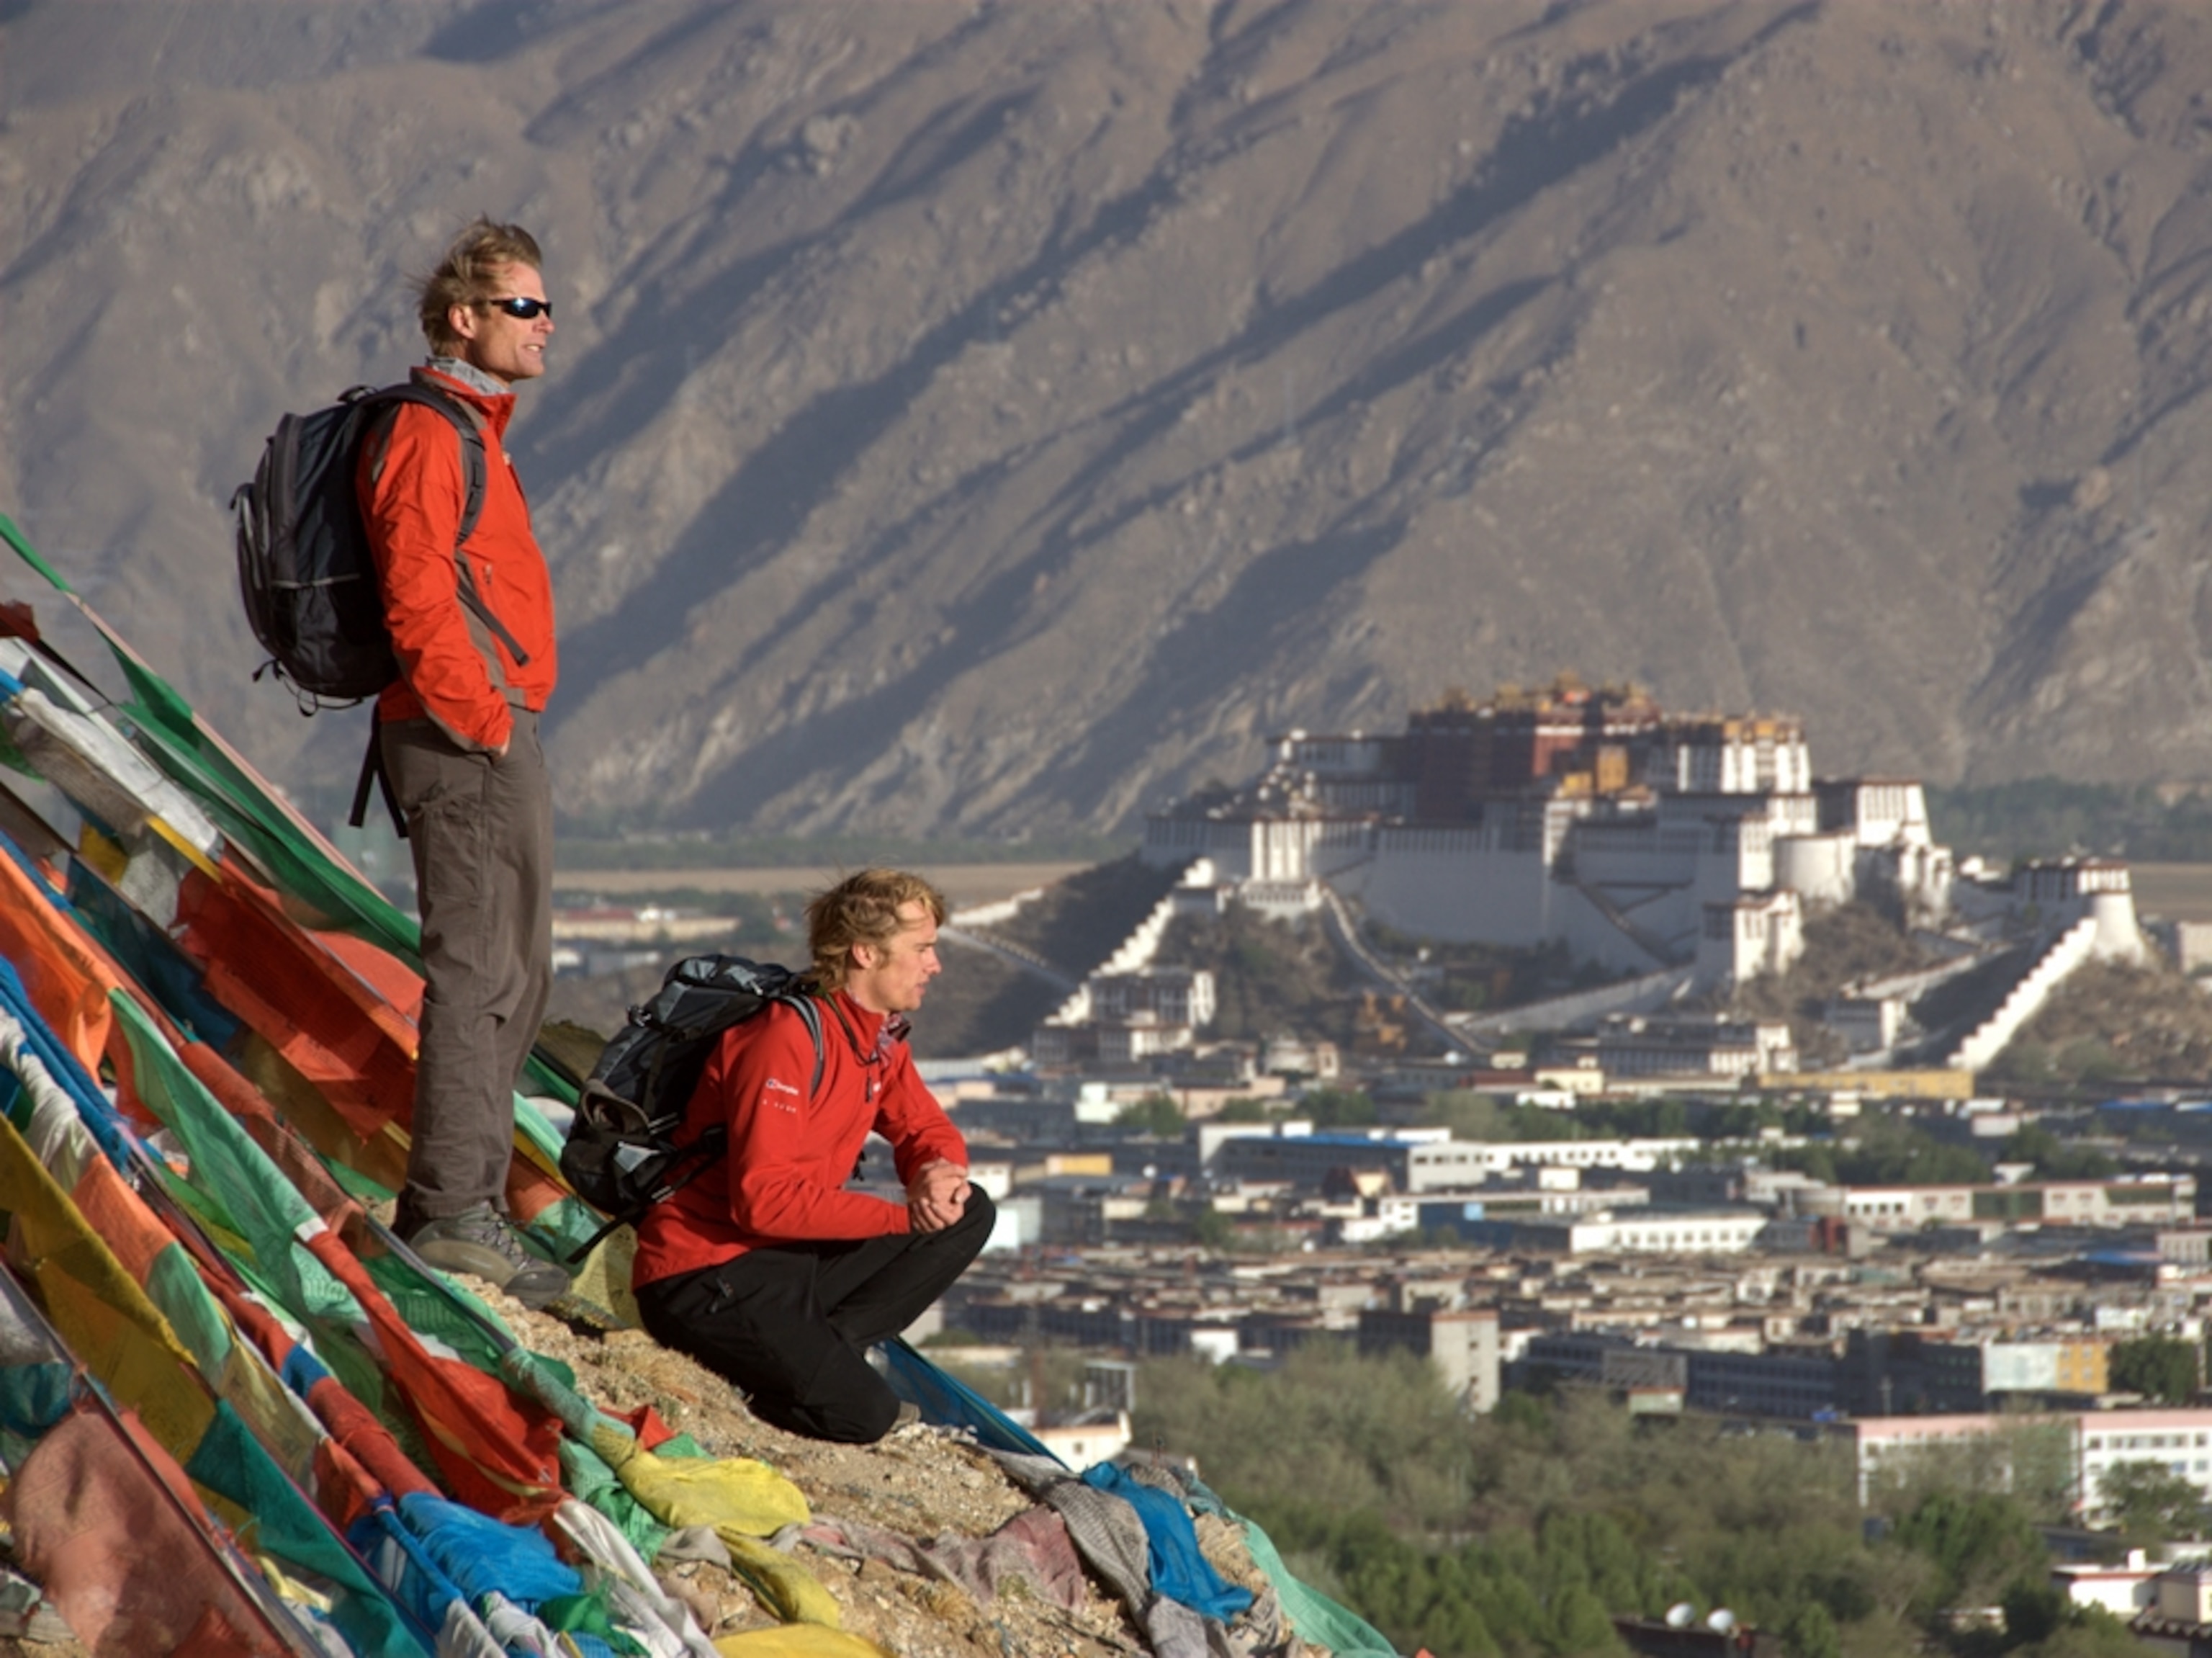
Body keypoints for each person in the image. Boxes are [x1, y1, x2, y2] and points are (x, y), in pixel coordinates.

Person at [358, 218, 567, 1309]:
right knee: (477, 969)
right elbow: (417, 594)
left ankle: (462, 1203)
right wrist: (483, 718)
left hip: (488, 730)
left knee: (515, 972)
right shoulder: (432, 433)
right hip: (462, 739)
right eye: (524, 307)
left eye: (546, 306)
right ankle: (451, 1214)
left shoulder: (475, 429)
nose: (546, 326)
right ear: (463, 317)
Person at [631, 869, 994, 1443]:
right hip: (709, 1274)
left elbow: (922, 1124)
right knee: (864, 1416)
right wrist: (906, 1215)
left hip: (788, 1259)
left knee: (970, 1210)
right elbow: (763, 1203)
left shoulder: (874, 1038)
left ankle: (823, 1353)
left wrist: (936, 1174)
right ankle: (781, 1386)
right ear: (866, 953)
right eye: (922, 949)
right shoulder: (784, 1039)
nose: (935, 965)